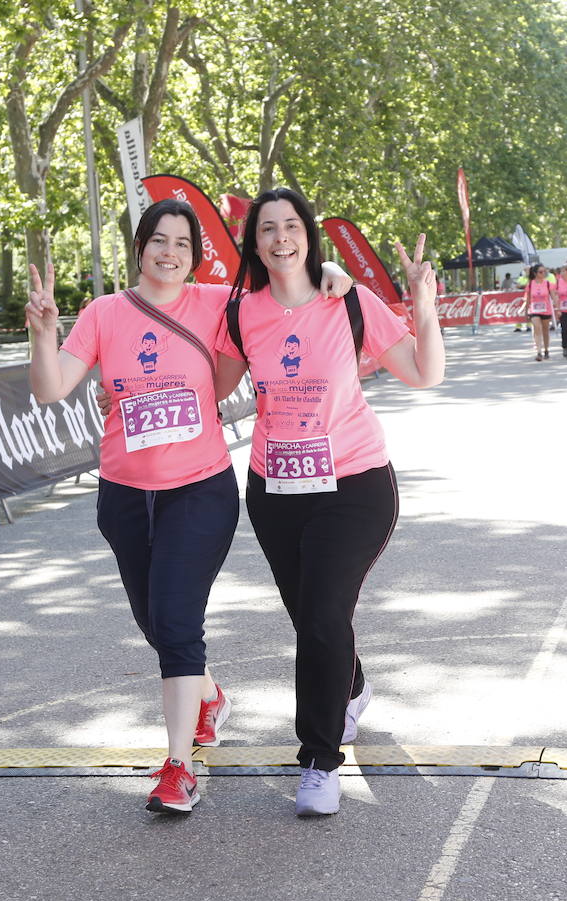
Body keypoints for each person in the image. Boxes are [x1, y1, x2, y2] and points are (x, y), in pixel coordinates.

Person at [36, 199, 355, 815]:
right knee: (155, 621)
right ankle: (207, 694)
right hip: (125, 494)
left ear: (196, 256)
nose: (170, 253)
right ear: (140, 246)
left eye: (183, 244)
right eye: (159, 241)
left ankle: (178, 766)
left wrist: (336, 275)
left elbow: (286, 287)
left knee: (177, 622)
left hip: (199, 488)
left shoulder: (215, 305)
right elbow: (51, 388)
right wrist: (45, 330)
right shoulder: (104, 313)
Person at [215, 187, 443, 816]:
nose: (281, 238)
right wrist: (126, 395)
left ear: (309, 235)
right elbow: (206, 391)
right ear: (254, 243)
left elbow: (424, 373)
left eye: (292, 226)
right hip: (276, 490)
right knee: (316, 618)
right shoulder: (241, 312)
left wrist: (422, 305)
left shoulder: (350, 301)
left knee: (319, 616)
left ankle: (318, 760)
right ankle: (353, 685)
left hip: (355, 485)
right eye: (268, 229)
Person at [523, 264, 554, 360]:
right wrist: (526, 311)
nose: (543, 273)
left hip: (546, 310)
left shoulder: (548, 284)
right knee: (537, 328)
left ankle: (546, 350)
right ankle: (539, 352)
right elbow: (528, 299)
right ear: (535, 273)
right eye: (541, 272)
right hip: (534, 310)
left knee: (545, 331)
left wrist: (557, 308)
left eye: (544, 271)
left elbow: (553, 297)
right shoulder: (530, 284)